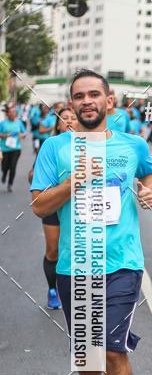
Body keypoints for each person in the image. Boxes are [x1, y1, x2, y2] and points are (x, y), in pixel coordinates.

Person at [31, 68, 152, 375]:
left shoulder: (133, 145)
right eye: (78, 96)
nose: (86, 101)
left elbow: (150, 169)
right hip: (75, 264)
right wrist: (73, 182)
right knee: (88, 352)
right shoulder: (55, 149)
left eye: (93, 94)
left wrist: (148, 188)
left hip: (122, 263)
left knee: (114, 347)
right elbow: (38, 206)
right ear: (70, 104)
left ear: (109, 100)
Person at [39, 103, 78, 310]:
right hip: (55, 204)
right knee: (53, 250)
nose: (70, 120)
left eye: (73, 117)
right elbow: (36, 178)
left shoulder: (89, 146)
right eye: (65, 118)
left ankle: (74, 289)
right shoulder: (51, 146)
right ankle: (52, 289)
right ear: (58, 124)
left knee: (77, 248)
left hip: (79, 206)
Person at [0, 104, 27, 191]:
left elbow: (24, 133)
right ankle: (4, 174)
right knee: (4, 166)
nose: (13, 114)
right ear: (7, 114)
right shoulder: (3, 123)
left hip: (16, 148)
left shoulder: (19, 122)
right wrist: (4, 135)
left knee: (13, 166)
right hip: (5, 148)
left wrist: (22, 135)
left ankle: (10, 184)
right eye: (11, 112)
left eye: (14, 112)